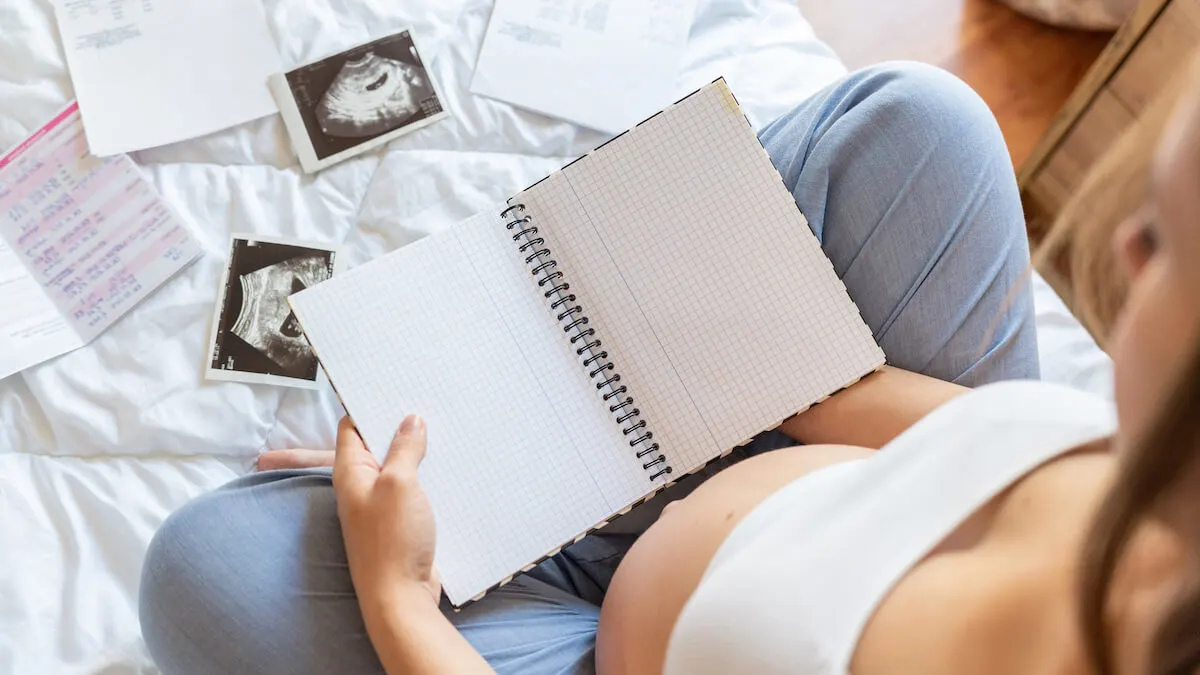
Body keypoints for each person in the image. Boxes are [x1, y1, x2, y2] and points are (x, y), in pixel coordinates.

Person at [138, 58, 1200, 675]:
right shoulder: (1159, 467)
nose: (1120, 252)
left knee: (204, 570)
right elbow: (965, 434)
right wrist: (802, 379)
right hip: (754, 448)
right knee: (921, 124)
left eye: (1166, 247)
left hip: (598, 646)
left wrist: (402, 598)